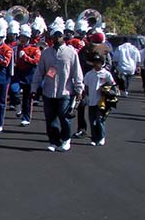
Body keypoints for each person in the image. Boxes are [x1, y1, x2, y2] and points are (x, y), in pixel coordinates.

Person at [31, 18, 84, 152]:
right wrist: (34, 88)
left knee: (64, 116)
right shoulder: (46, 53)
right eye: (55, 35)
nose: (57, 37)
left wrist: (79, 89)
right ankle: (54, 141)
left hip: (65, 91)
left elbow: (76, 72)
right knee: (50, 118)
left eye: (59, 35)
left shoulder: (71, 52)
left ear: (63, 36)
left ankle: (66, 138)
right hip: (48, 91)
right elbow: (39, 72)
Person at [75, 30, 111, 137]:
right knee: (95, 107)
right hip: (94, 81)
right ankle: (97, 131)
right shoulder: (105, 49)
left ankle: (84, 129)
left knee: (84, 105)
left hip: (88, 81)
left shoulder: (86, 49)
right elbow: (109, 65)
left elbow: (79, 65)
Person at [83, 52, 116, 146]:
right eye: (95, 62)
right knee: (92, 121)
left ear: (102, 63)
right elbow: (86, 86)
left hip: (102, 102)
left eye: (98, 62)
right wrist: (85, 97)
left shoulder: (106, 74)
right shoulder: (89, 74)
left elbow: (113, 85)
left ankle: (101, 137)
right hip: (91, 101)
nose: (96, 64)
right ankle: (94, 139)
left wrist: (107, 91)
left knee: (99, 120)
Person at [12, 23, 41, 126]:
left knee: (27, 98)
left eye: (24, 37)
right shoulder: (15, 47)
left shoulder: (35, 49)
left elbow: (36, 61)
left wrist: (26, 58)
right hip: (18, 73)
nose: (22, 39)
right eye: (21, 37)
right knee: (13, 90)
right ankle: (17, 105)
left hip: (29, 75)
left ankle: (26, 117)